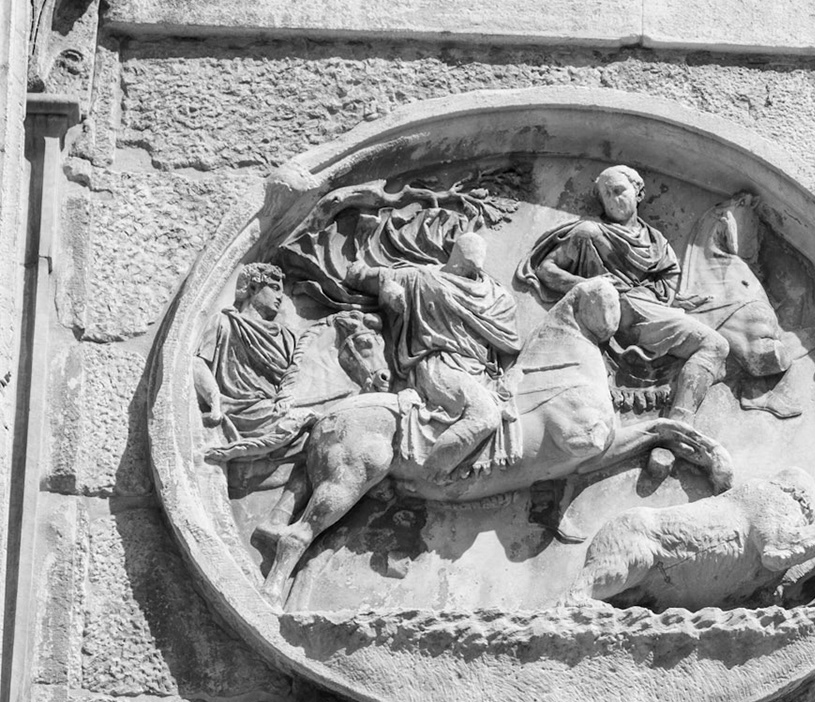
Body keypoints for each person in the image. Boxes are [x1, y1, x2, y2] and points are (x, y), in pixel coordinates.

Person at [518, 165, 729, 476]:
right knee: (715, 344)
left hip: (649, 307)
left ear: (638, 193)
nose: (613, 200)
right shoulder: (589, 233)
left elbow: (668, 280)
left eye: (619, 191)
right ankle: (677, 429)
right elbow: (546, 270)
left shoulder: (656, 241)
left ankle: (677, 428)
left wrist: (665, 297)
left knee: (716, 344)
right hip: (617, 311)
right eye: (606, 195)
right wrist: (588, 285)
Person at [345, 230, 522, 480]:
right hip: (439, 366)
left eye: (473, 267)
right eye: (465, 265)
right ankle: (432, 474)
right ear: (455, 258)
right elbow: (359, 276)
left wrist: (511, 376)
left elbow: (508, 343)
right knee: (485, 415)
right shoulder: (419, 278)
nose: (469, 270)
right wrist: (387, 286)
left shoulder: (497, 297)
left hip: (483, 371)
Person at [195, 262, 302, 446]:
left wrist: (287, 395)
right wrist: (214, 400)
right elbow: (198, 363)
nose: (280, 297)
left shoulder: (286, 337)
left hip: (277, 407)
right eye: (274, 288)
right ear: (253, 288)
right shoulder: (224, 323)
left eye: (282, 291)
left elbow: (295, 376)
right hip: (240, 411)